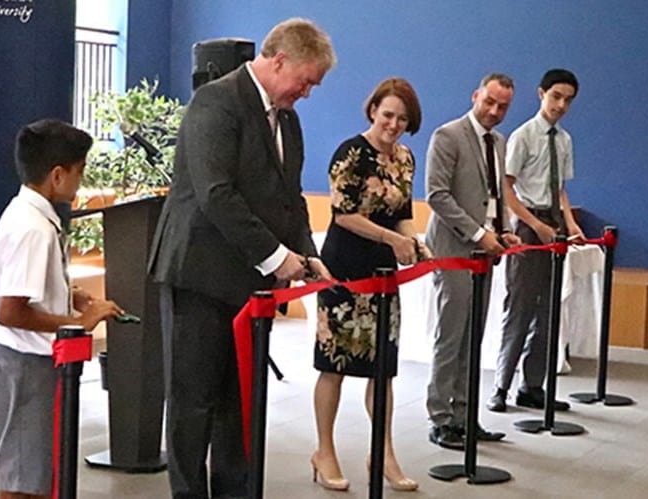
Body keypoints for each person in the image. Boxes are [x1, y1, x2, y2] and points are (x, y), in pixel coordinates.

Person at [148, 18, 336, 498]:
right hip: (198, 277)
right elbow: (217, 195)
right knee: (192, 404)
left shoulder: (287, 119)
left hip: (248, 285)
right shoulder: (215, 101)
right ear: (279, 61)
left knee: (241, 400)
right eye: (306, 81)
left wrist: (308, 256)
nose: (307, 93)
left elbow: (289, 197)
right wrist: (276, 259)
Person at [0, 119, 124, 499]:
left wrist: (64, 292)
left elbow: (21, 288)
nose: (81, 181)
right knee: (23, 487)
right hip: (21, 368)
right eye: (80, 171)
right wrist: (78, 322)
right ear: (58, 175)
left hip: (21, 366)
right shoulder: (34, 229)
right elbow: (10, 312)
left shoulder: (29, 213)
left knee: (33, 479)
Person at [310, 77, 427, 492]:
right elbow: (343, 215)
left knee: (383, 371)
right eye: (388, 114)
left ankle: (384, 453)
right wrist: (392, 239)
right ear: (373, 109)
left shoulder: (406, 158)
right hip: (344, 270)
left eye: (402, 118)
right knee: (334, 366)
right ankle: (324, 451)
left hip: (383, 276)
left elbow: (404, 212)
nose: (393, 124)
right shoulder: (351, 153)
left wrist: (413, 239)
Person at [424, 74, 521, 450]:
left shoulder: (498, 141)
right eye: (490, 102)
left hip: (485, 252)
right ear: (476, 95)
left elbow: (495, 194)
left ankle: (465, 416)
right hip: (452, 249)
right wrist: (479, 234)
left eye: (503, 107)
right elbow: (437, 195)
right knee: (451, 335)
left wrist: (503, 230)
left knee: (473, 336)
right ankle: (440, 418)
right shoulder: (447, 136)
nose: (495, 111)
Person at [487, 69, 584, 413]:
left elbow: (559, 189)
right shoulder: (523, 136)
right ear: (541, 93)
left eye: (568, 100)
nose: (561, 105)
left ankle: (532, 385)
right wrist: (534, 225)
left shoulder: (564, 140)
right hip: (529, 225)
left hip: (553, 222)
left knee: (548, 311)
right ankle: (501, 386)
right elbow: (506, 189)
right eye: (556, 96)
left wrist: (569, 222)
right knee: (521, 307)